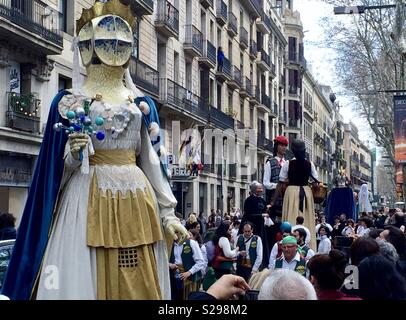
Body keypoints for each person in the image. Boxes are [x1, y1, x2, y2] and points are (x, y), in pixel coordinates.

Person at [2, 0, 189, 300]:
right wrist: (74, 156)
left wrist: (168, 214)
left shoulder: (141, 105)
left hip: (137, 205)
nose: (110, 45)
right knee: (83, 277)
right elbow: (51, 176)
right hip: (85, 199)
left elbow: (153, 164)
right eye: (103, 39)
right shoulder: (69, 101)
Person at [270, 139, 318, 251]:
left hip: (291, 192)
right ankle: (308, 247)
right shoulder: (309, 164)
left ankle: (289, 245)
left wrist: (273, 201)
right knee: (307, 219)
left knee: (290, 218)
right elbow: (316, 183)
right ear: (304, 151)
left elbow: (280, 183)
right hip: (306, 192)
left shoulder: (288, 164)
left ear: (292, 151)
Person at [263, 136, 288, 249]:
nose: (284, 148)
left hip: (286, 201)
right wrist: (278, 186)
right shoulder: (270, 162)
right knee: (274, 231)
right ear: (276, 146)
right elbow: (266, 183)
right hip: (274, 202)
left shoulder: (287, 163)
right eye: (281, 145)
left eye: (285, 146)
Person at [169, 232, 206, 300]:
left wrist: (189, 272)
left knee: (188, 297)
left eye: (175, 232)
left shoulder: (191, 243)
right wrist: (169, 265)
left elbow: (201, 262)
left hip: (189, 279)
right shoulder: (170, 245)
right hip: (174, 279)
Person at [241, 181, 270, 268]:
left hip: (261, 226)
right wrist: (261, 215)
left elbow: (265, 210)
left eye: (261, 189)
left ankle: (262, 263)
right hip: (251, 226)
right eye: (259, 189)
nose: (261, 191)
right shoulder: (248, 200)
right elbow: (248, 214)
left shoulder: (262, 200)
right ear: (254, 190)